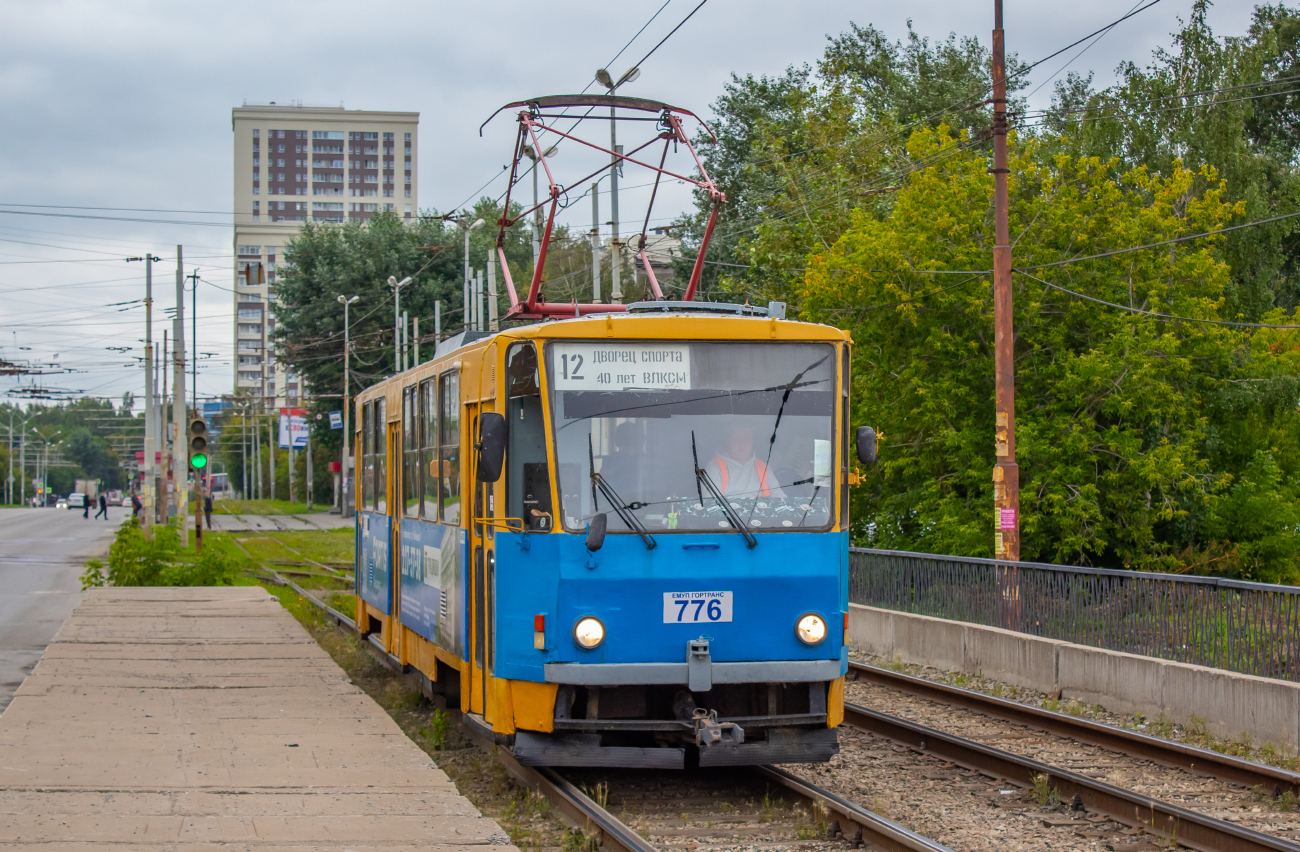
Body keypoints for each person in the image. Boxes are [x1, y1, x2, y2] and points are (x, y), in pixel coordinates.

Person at [705, 424, 784, 499]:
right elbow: (711, 504)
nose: (742, 444)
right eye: (737, 439)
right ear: (728, 442)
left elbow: (780, 498)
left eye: (747, 440)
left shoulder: (762, 467)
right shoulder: (714, 467)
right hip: (728, 513)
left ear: (753, 443)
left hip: (761, 513)